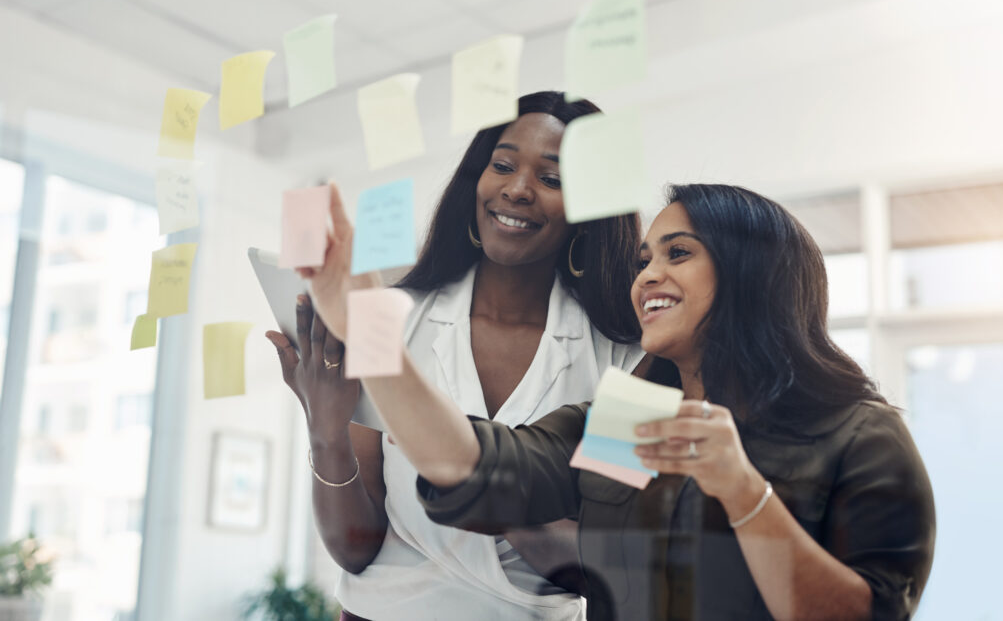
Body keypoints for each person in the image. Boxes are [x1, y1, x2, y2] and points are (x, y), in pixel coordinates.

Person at [301, 182, 937, 620]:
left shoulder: (860, 435)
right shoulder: (628, 420)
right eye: (645, 259)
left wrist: (744, 493)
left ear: (751, 274)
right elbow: (471, 462)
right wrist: (371, 334)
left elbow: (865, 614)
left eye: (678, 253)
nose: (647, 276)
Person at [268, 91, 647, 620]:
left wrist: (470, 483)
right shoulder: (388, 318)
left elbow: (604, 567)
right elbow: (353, 550)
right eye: (503, 165)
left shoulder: (628, 366)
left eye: (552, 178)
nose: (517, 189)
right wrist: (326, 429)